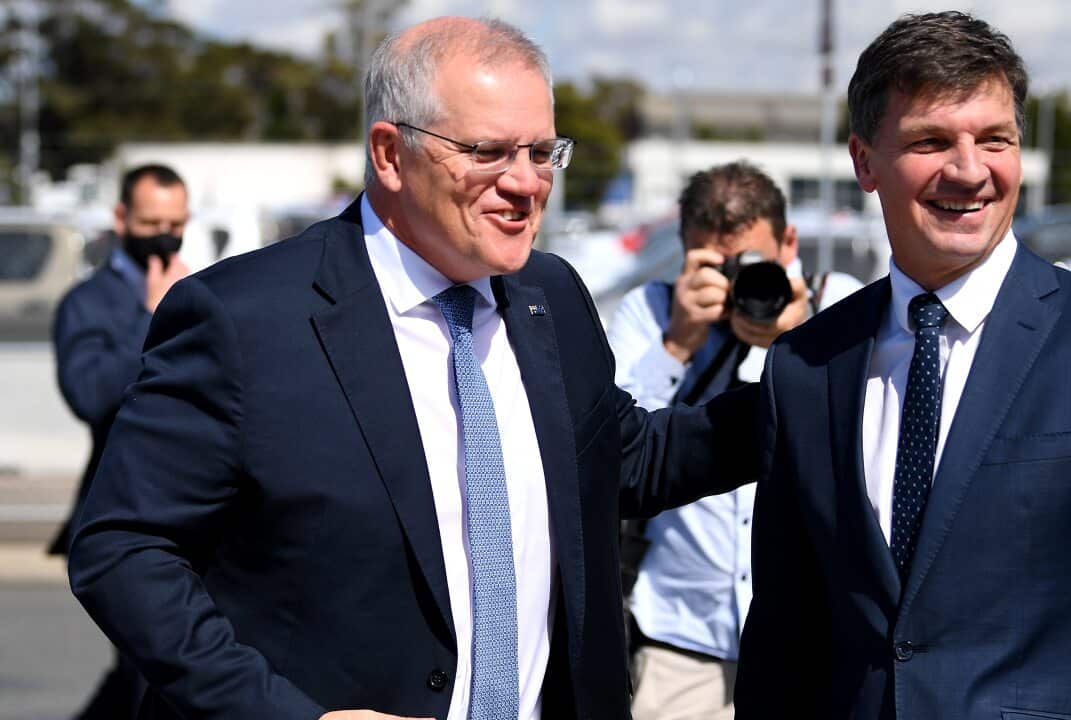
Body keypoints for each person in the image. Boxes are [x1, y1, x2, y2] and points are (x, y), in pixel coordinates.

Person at [67, 17, 755, 720]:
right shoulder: (244, 319)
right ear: (390, 154)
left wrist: (800, 390)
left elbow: (625, 459)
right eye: (488, 152)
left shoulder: (551, 297)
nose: (526, 182)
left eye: (542, 152)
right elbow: (124, 548)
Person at [734, 12, 1071, 719]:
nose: (969, 170)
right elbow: (782, 644)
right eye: (931, 141)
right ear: (864, 162)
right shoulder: (806, 366)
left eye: (995, 139)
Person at [607, 161, 859, 720]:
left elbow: (868, 430)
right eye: (716, 268)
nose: (738, 285)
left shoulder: (837, 303)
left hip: (811, 639)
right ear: (685, 253)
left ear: (789, 244)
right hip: (680, 641)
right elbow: (613, 453)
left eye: (752, 265)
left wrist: (802, 342)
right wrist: (677, 345)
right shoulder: (650, 313)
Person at [51, 163, 190, 719]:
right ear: (121, 218)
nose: (164, 237)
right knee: (145, 670)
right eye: (151, 223)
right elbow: (90, 394)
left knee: (160, 673)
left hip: (195, 511)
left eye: (176, 225)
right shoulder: (88, 303)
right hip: (124, 511)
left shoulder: (198, 290)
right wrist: (155, 317)